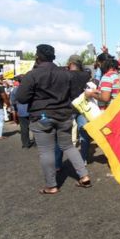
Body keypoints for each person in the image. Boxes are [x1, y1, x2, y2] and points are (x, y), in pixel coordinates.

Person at [16, 44, 90, 194]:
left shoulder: (32, 75)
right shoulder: (66, 74)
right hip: (64, 115)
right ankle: (84, 176)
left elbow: (21, 98)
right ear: (53, 57)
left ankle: (51, 185)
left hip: (41, 116)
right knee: (68, 146)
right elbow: (73, 95)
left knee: (46, 151)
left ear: (38, 57)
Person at [10, 76, 33, 148]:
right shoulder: (31, 88)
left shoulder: (15, 90)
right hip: (32, 109)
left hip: (21, 110)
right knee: (36, 127)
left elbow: (13, 101)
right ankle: (38, 142)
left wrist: (16, 108)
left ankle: (25, 143)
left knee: (24, 128)